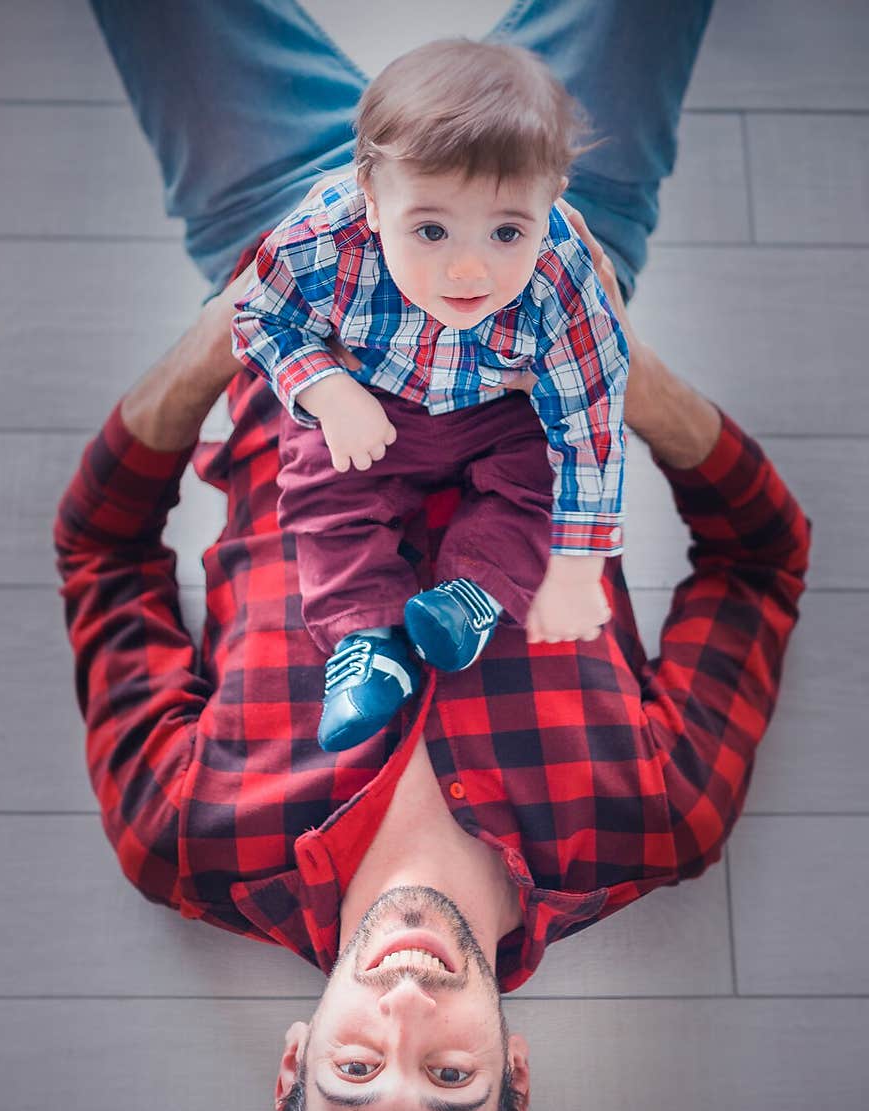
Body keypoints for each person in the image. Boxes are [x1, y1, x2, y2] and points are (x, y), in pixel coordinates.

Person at [55, 1, 810, 1111]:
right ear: (514, 1072)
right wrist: (614, 368)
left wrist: (224, 337)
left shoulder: (184, 837)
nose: (403, 1015)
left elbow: (102, 558)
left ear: (297, 1058)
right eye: (448, 1077)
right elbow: (762, 556)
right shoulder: (651, 818)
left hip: (292, 282)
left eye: (358, 1068)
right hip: (543, 255)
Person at [231, 40, 628, 752]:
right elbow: (259, 316)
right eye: (432, 229)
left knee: (542, 479)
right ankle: (366, 643)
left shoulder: (562, 273)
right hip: (372, 401)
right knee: (325, 492)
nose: (469, 266)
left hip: (501, 410)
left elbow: (591, 416)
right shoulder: (324, 237)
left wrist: (579, 566)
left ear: (552, 199)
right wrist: (324, 388)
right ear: (374, 202)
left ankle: (472, 596)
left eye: (509, 229)